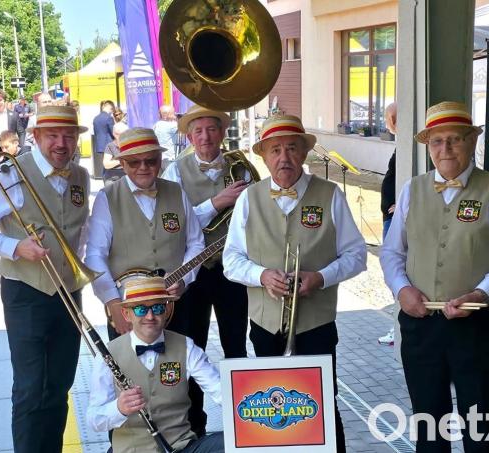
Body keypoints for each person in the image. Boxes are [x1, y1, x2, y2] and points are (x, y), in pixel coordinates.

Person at [380, 101, 489, 453]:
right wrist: (402, 290)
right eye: (437, 141)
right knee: (429, 426)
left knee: (485, 428)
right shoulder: (411, 190)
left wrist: (481, 293)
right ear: (428, 147)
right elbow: (391, 252)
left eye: (455, 139)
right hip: (421, 327)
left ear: (471, 142)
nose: (445, 149)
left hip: (479, 326)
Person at [223, 115, 367, 453]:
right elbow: (231, 261)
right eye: (275, 150)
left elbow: (357, 255)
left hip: (316, 325)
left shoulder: (330, 195)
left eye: (291, 148)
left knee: (322, 404)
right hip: (266, 326)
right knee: (272, 411)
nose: (284, 157)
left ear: (303, 153)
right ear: (264, 156)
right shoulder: (248, 198)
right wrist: (261, 276)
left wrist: (321, 277)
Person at [0, 105, 91, 453]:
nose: (61, 143)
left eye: (69, 136)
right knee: (31, 388)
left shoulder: (81, 176)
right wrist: (15, 247)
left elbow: (81, 231)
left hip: (69, 291)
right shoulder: (11, 173)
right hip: (26, 292)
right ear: (35, 137)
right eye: (53, 136)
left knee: (60, 384)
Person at [161, 104, 251, 436]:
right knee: (191, 347)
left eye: (211, 129)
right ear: (189, 137)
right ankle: (194, 428)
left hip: (232, 270)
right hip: (193, 272)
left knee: (236, 346)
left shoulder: (241, 167)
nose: (205, 137)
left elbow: (254, 214)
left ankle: (244, 422)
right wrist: (218, 202)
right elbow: (176, 223)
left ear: (222, 133)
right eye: (197, 131)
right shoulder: (174, 171)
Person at [84, 127, 204, 340]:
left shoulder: (177, 192)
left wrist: (183, 280)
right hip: (128, 309)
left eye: (151, 160)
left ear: (160, 160)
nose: (143, 167)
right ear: (122, 164)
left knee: (177, 360)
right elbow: (95, 255)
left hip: (173, 306)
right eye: (134, 162)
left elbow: (196, 243)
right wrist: (112, 301)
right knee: (127, 362)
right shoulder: (107, 197)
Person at [87, 276, 224, 453]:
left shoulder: (186, 347)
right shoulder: (108, 355)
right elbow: (94, 420)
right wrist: (119, 408)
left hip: (181, 447)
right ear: (126, 314)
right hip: (131, 450)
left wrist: (250, 411)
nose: (150, 316)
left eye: (157, 308)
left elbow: (221, 391)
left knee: (233, 444)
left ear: (167, 311)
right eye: (140, 309)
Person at [378, 102, 398, 346]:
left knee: (394, 272)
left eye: (387, 118)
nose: (387, 123)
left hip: (394, 220)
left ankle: (397, 327)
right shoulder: (400, 145)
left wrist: (401, 205)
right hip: (390, 218)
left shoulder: (407, 146)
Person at [92, 100, 116, 179]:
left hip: (100, 145)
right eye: (112, 110)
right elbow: (114, 132)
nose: (111, 112)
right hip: (109, 144)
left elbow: (96, 132)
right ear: (110, 108)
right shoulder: (109, 118)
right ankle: (107, 178)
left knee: (105, 163)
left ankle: (104, 177)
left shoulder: (96, 118)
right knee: (110, 164)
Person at [153, 104, 178, 169]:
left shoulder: (157, 124)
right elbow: (185, 128)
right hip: (170, 158)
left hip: (159, 157)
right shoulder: (172, 125)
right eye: (173, 113)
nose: (175, 114)